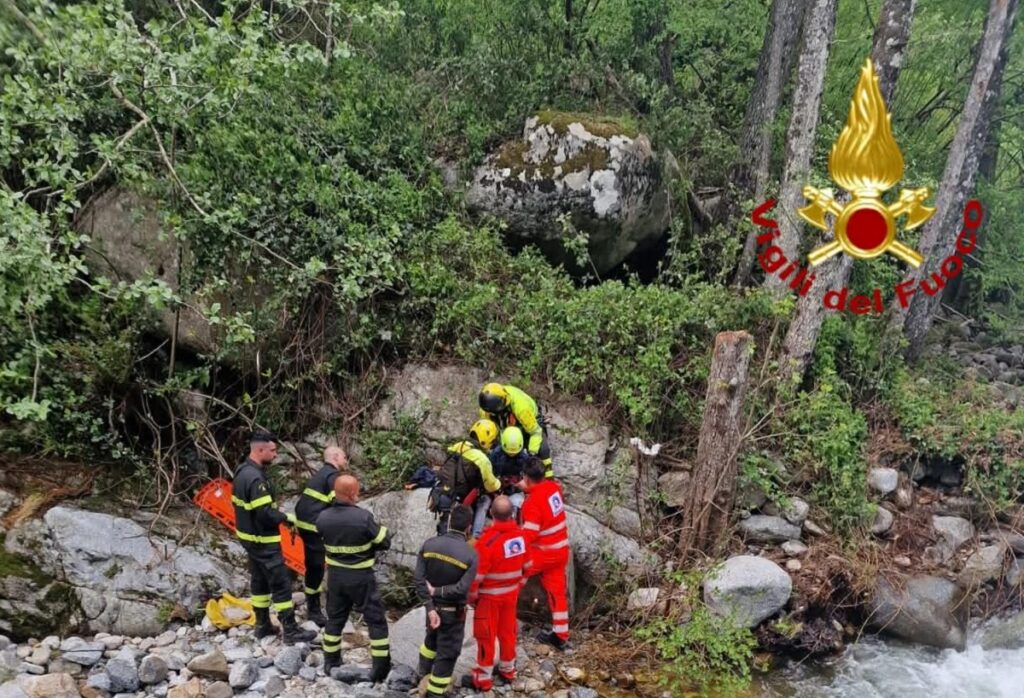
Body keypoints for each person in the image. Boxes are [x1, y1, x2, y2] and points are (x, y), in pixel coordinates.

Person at [231, 431, 317, 644]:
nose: (275, 454)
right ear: (260, 450)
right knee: (281, 584)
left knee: (259, 582)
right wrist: (286, 518)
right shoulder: (255, 478)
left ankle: (262, 626)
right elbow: (265, 513)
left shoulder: (242, 471)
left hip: (250, 539)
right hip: (263, 540)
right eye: (272, 450)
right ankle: (290, 630)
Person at [316, 475, 392, 681]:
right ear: (351, 494)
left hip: (335, 577)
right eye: (357, 490)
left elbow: (321, 536)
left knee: (334, 620)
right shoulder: (362, 518)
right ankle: (380, 668)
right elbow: (384, 541)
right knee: (376, 621)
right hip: (361, 577)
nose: (359, 493)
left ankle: (330, 662)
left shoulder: (323, 517)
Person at [461, 496, 526, 691]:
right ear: (512, 513)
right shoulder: (520, 536)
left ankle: (483, 678)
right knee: (507, 633)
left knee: (485, 636)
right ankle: (508, 670)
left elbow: (477, 576)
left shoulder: (487, 542)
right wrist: (517, 586)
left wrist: (471, 596)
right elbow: (528, 565)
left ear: (491, 513)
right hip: (511, 595)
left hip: (489, 598)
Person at [414, 505, 478, 697]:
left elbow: (419, 580)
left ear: (449, 521)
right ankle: (434, 693)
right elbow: (462, 588)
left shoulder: (429, 545)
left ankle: (422, 676)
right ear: (469, 527)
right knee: (448, 653)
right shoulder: (470, 555)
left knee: (430, 642)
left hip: (432, 609)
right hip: (452, 613)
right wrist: (440, 591)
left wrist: (430, 607)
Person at [293, 446, 348, 626]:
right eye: (344, 457)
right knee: (318, 567)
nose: (346, 460)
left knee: (314, 567)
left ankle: (315, 606)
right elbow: (338, 504)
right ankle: (316, 610)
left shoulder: (322, 474)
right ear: (335, 457)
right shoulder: (332, 476)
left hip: (307, 525)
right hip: (314, 527)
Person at [519, 457, 570, 650]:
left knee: (513, 576)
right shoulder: (554, 488)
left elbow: (529, 535)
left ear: (526, 478)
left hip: (542, 554)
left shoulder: (532, 503)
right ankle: (561, 634)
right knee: (557, 593)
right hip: (561, 550)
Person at [433, 419, 500, 536]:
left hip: (442, 494)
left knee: (444, 527)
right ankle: (475, 536)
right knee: (484, 500)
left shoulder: (457, 446)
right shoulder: (481, 459)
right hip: (459, 500)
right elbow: (490, 485)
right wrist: (499, 483)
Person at [478, 383, 553, 478]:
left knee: (542, 449)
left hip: (529, 423)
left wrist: (532, 453)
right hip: (507, 423)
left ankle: (548, 478)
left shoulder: (521, 408)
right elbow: (489, 430)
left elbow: (535, 432)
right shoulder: (486, 409)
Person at [488, 426, 530, 513]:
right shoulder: (496, 455)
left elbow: (529, 476)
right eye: (509, 453)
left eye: (514, 453)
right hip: (498, 487)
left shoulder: (524, 458)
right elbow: (489, 473)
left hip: (516, 488)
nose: (512, 455)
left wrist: (520, 483)